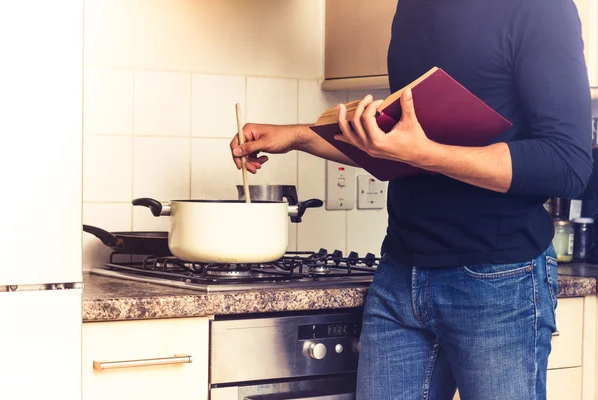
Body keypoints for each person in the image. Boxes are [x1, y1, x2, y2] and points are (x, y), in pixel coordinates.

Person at [229, 0, 593, 398]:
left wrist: (424, 154)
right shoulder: (412, 8)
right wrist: (299, 136)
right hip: (401, 272)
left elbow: (567, 163)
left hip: (498, 280)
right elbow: (396, 145)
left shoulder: (540, 7)